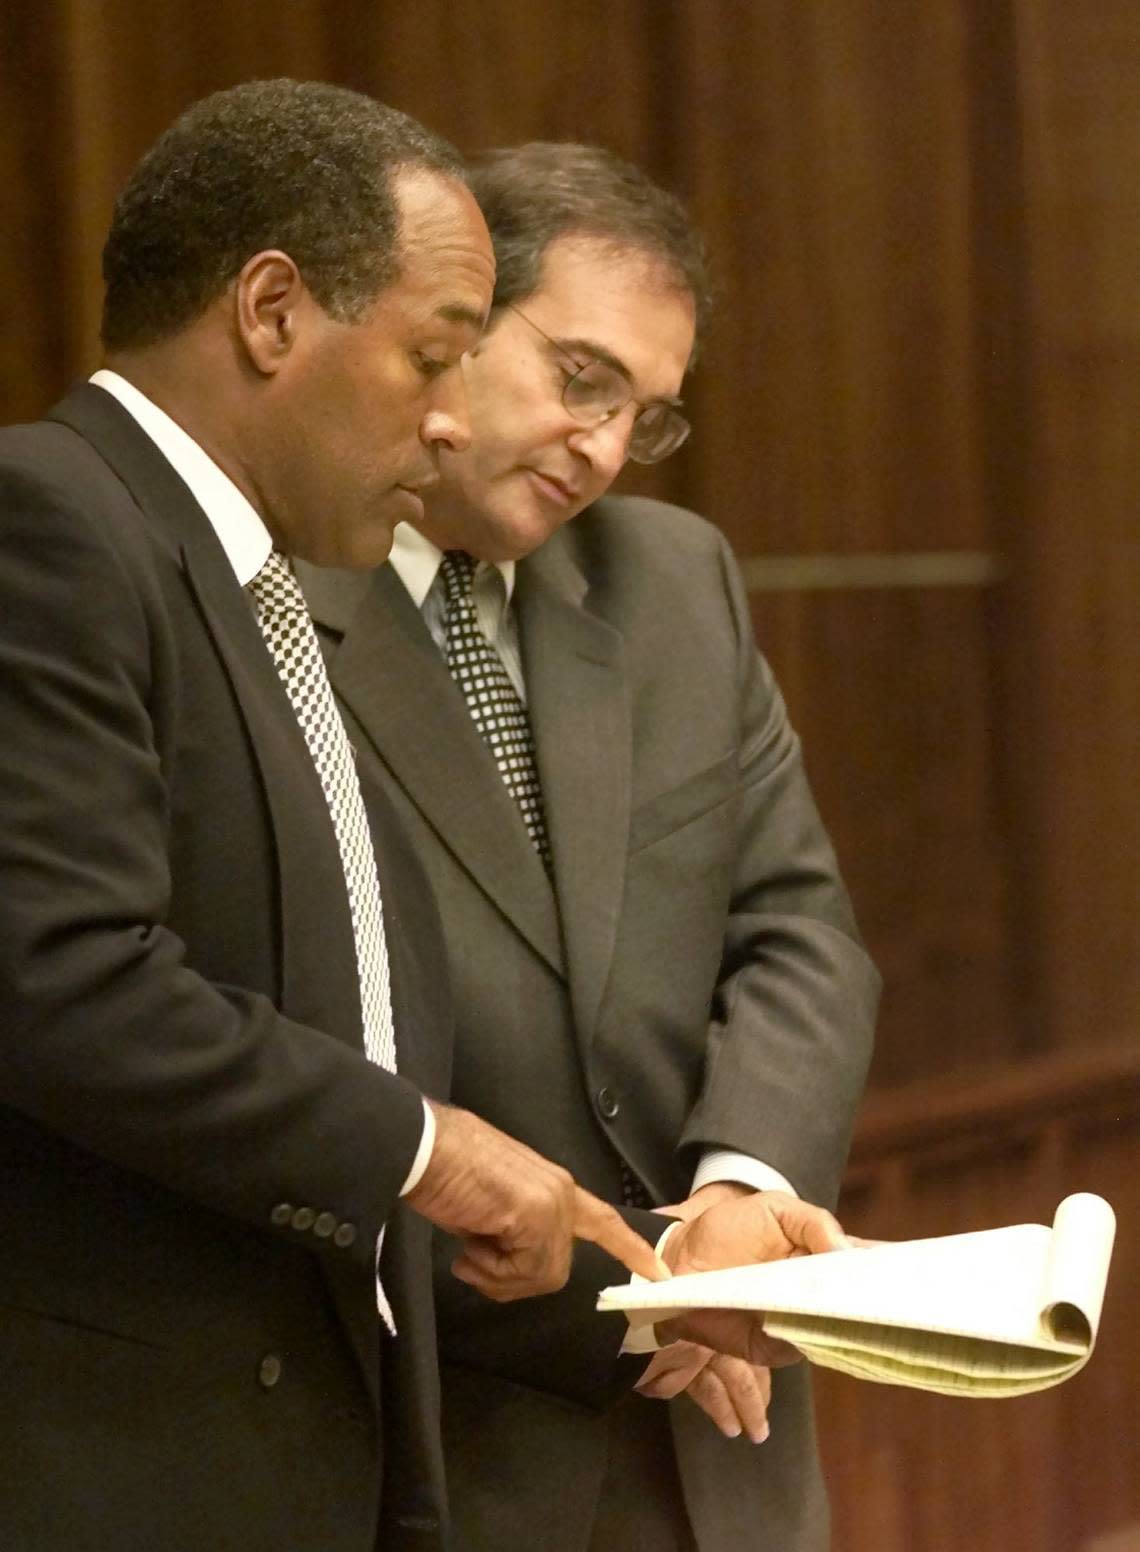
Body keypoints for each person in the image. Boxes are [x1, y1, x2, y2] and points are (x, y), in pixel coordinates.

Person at [0, 88, 669, 1552]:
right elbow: (58, 978)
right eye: (435, 353)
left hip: (329, 1443)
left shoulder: (264, 594)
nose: (446, 416)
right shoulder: (49, 521)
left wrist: (649, 1277)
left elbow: (342, 1020)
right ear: (273, 311)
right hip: (126, 1472)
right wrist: (431, 1150)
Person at [299, 142, 880, 1552]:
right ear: (449, 323)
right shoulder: (274, 601)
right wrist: (621, 1298)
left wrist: (746, 1186)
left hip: (727, 1433)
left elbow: (798, 928)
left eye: (647, 416)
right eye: (582, 380)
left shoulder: (675, 580)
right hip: (444, 1433)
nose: (608, 451)